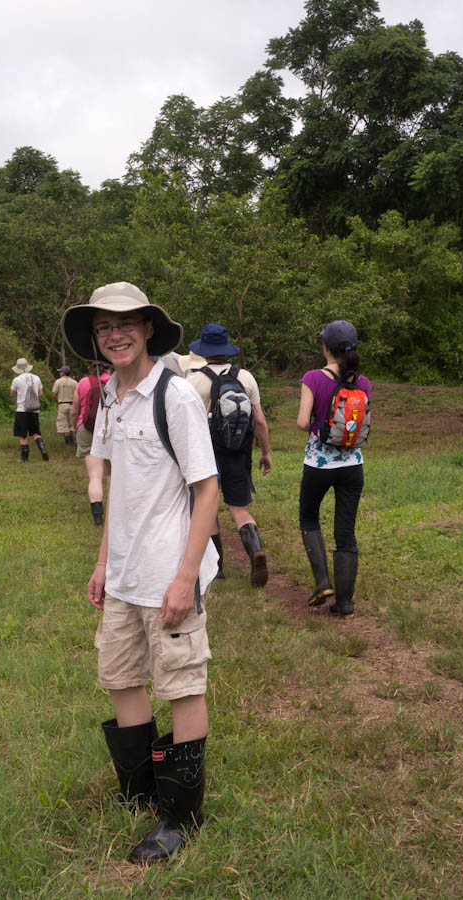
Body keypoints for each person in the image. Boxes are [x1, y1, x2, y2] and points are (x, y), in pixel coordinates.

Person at [61, 281, 219, 865]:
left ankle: (181, 815)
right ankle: (141, 793)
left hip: (167, 570)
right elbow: (119, 489)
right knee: (121, 676)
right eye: (103, 327)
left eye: (125, 323)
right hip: (124, 573)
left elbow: (208, 490)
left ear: (148, 328)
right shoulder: (109, 395)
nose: (115, 335)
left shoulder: (174, 396)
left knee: (181, 684)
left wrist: (184, 577)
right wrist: (103, 561)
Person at [184, 323, 273, 587]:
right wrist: (265, 452)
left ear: (203, 351)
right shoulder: (246, 377)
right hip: (238, 452)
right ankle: (255, 551)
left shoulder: (192, 381)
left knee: (207, 506)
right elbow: (260, 420)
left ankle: (218, 568)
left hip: (206, 453)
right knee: (240, 509)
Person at [295, 320, 371, 618]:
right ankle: (345, 603)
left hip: (318, 464)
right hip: (353, 465)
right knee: (345, 531)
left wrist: (320, 425)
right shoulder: (363, 382)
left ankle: (323, 583)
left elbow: (302, 422)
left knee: (309, 517)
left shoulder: (313, 378)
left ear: (325, 347)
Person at [71, 366, 111, 525]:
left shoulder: (82, 382)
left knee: (95, 476)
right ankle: (113, 512)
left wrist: (75, 426)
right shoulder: (115, 381)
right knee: (111, 475)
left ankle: (97, 516)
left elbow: (74, 411)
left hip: (87, 428)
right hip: (109, 430)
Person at [10, 357, 48, 462]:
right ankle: (43, 450)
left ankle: (24, 458)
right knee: (36, 433)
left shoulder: (16, 380)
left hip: (22, 410)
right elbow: (41, 393)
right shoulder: (36, 378)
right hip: (34, 410)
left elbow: (12, 393)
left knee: (22, 435)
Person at [52, 365, 78, 446]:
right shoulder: (75, 382)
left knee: (64, 425)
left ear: (64, 373)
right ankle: (74, 441)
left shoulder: (58, 381)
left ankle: (68, 443)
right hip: (72, 405)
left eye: (61, 371)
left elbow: (54, 395)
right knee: (72, 424)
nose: (59, 373)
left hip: (62, 405)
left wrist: (57, 403)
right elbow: (78, 395)